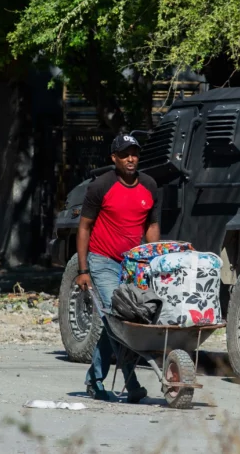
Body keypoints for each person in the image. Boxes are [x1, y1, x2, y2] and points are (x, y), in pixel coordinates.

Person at [76, 133, 161, 402]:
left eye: (134, 153)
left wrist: (152, 260)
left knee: (121, 322)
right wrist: (83, 269)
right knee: (116, 320)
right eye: (124, 154)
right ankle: (132, 383)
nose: (131, 158)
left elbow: (152, 226)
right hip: (102, 261)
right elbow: (84, 227)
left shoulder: (149, 185)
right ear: (114, 158)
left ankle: (94, 379)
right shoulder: (100, 186)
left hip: (134, 265)